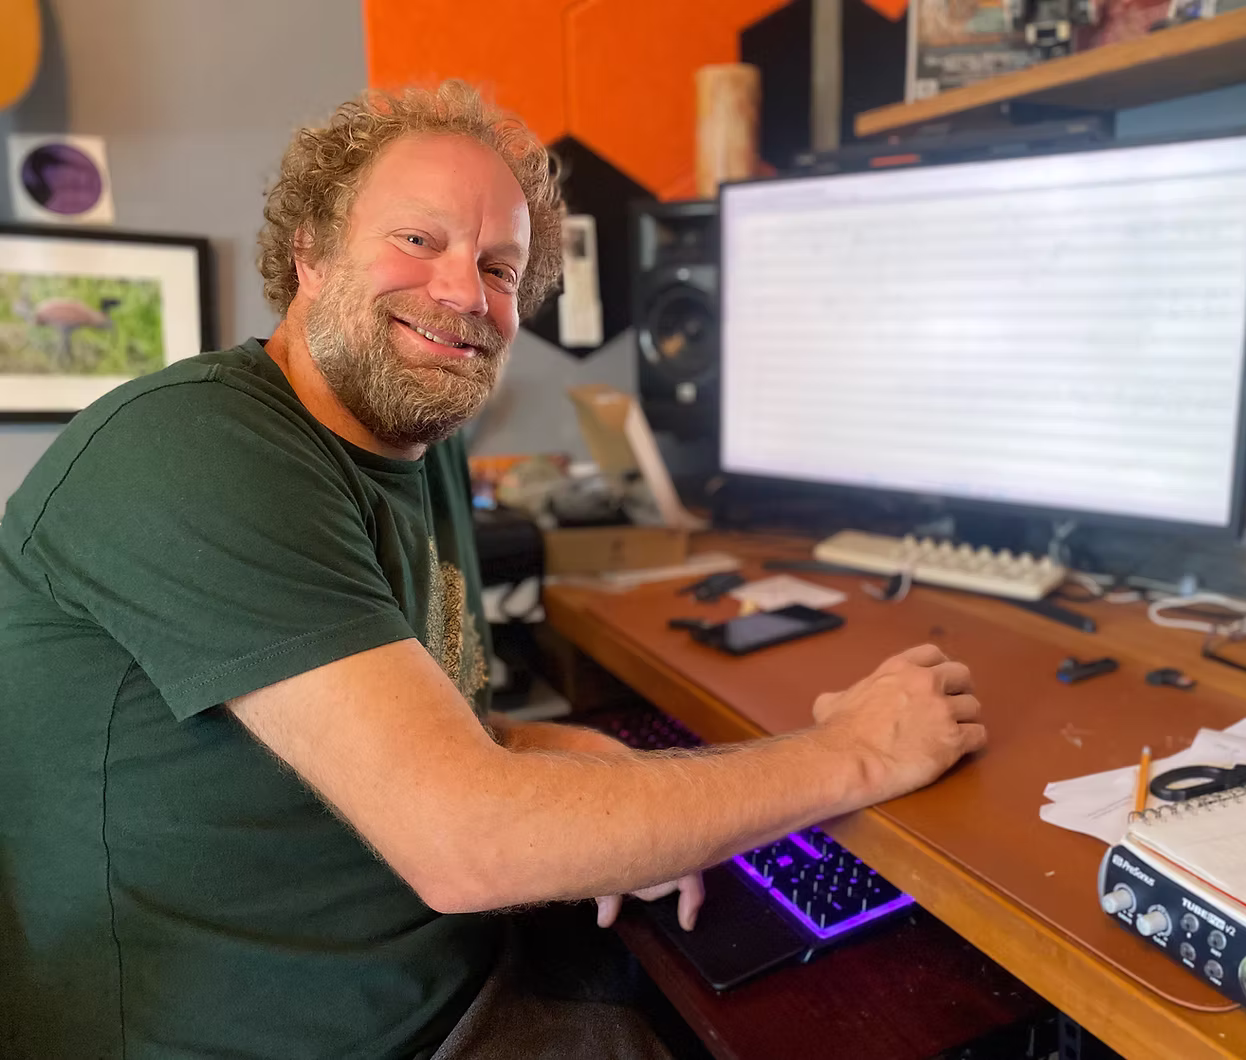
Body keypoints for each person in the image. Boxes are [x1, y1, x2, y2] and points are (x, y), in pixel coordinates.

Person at [0, 81, 987, 1059]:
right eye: (418, 239)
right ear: (311, 253)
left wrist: (567, 759)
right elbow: (466, 844)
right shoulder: (194, 446)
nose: (466, 293)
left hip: (444, 968)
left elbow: (405, 726)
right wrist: (853, 752)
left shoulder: (418, 443)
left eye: (499, 267)